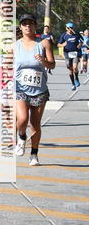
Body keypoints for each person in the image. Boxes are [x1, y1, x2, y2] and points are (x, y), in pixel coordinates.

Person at [15, 14, 55, 165]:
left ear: (35, 26)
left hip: (39, 90)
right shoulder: (15, 46)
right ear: (20, 27)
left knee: (35, 124)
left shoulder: (44, 43)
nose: (27, 26)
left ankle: (34, 154)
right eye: (24, 24)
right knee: (22, 119)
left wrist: (43, 61)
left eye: (30, 23)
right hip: (20, 89)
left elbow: (52, 64)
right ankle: (21, 136)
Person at [57, 22, 82, 90]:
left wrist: (80, 45)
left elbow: (82, 41)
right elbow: (58, 45)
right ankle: (73, 84)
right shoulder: (64, 35)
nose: (70, 29)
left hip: (75, 53)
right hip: (67, 54)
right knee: (70, 69)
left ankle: (76, 78)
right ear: (66, 28)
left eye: (71, 28)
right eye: (68, 28)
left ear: (73, 28)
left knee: (75, 67)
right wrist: (62, 45)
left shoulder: (77, 34)